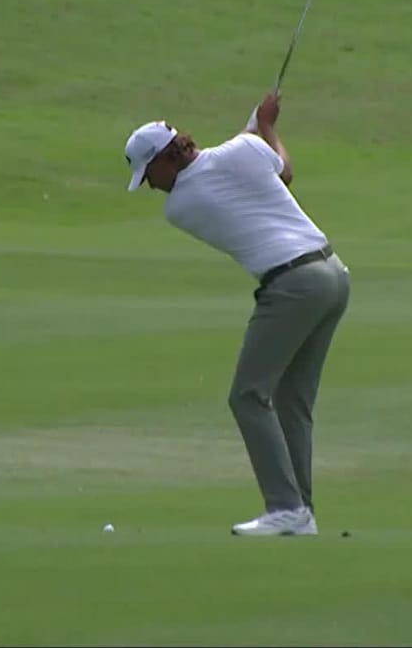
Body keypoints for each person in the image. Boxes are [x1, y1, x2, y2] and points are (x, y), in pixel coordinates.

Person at [122, 92, 352, 537]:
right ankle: (298, 510)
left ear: (167, 159)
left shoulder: (180, 207)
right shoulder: (243, 151)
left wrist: (255, 129)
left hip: (292, 286)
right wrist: (266, 127)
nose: (150, 186)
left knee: (248, 395)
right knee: (292, 401)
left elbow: (229, 172)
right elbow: (281, 170)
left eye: (149, 174)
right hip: (333, 275)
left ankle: (287, 507)